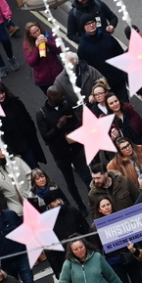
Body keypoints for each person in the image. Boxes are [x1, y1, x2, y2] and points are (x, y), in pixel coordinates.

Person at [36, 86, 93, 214]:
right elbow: (46, 137)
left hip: (75, 147)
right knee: (70, 181)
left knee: (86, 176)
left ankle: (95, 201)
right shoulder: (41, 114)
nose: (63, 97)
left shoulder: (65, 106)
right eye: (60, 96)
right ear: (51, 97)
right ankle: (81, 206)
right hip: (60, 154)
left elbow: (74, 121)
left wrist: (72, 127)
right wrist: (58, 127)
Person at [0, 86, 47, 169]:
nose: (1, 96)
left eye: (2, 92)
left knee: (34, 167)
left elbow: (27, 118)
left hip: (25, 142)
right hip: (11, 148)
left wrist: (30, 133)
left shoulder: (15, 103)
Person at [76, 14, 128, 101]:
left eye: (93, 22)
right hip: (103, 87)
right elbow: (86, 71)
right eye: (88, 24)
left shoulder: (107, 37)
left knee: (126, 106)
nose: (91, 25)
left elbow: (121, 54)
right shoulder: (82, 48)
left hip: (118, 80)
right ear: (83, 27)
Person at [0, 147, 33, 215]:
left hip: (30, 199)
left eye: (3, 149)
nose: (2, 152)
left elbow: (30, 176)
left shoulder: (17, 160)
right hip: (12, 206)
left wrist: (31, 192)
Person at [23, 22, 62, 96]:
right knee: (55, 99)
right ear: (30, 35)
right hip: (44, 79)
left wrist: (48, 42)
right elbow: (31, 62)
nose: (38, 33)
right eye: (34, 32)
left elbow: (59, 49)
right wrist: (36, 47)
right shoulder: (27, 45)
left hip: (58, 74)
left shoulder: (48, 35)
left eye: (38, 30)